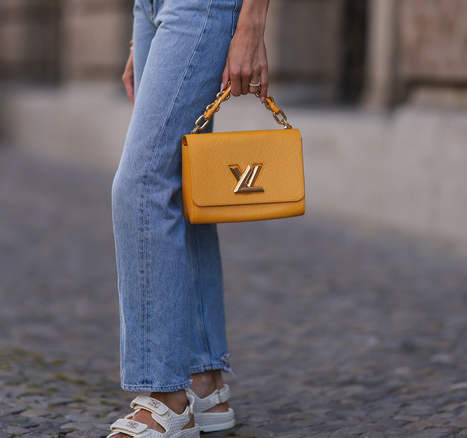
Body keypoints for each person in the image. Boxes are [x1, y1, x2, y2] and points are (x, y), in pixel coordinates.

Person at [109, 0, 270, 437]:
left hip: (202, 6)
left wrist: (252, 21)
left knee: (141, 185)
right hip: (152, 11)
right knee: (184, 187)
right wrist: (143, 30)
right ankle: (205, 382)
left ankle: (165, 399)